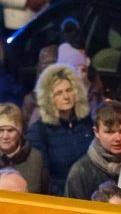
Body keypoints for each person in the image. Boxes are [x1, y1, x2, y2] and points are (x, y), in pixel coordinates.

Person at [28, 64, 93, 192]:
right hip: (60, 197)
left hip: (90, 193)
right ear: (48, 98)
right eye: (59, 93)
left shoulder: (86, 122)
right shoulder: (39, 131)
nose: (66, 96)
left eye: (69, 90)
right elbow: (43, 176)